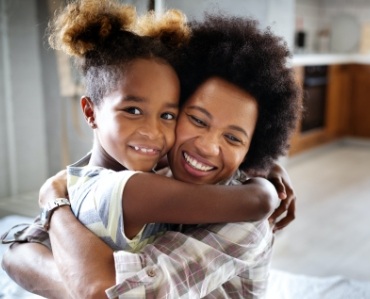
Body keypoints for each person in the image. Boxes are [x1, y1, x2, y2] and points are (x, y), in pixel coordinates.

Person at [0, 1, 299, 298]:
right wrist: (54, 206)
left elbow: (102, 290)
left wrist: (54, 201)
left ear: (252, 149)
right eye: (196, 119)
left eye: (234, 139)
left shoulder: (247, 225)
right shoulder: (150, 168)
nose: (207, 147)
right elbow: (15, 249)